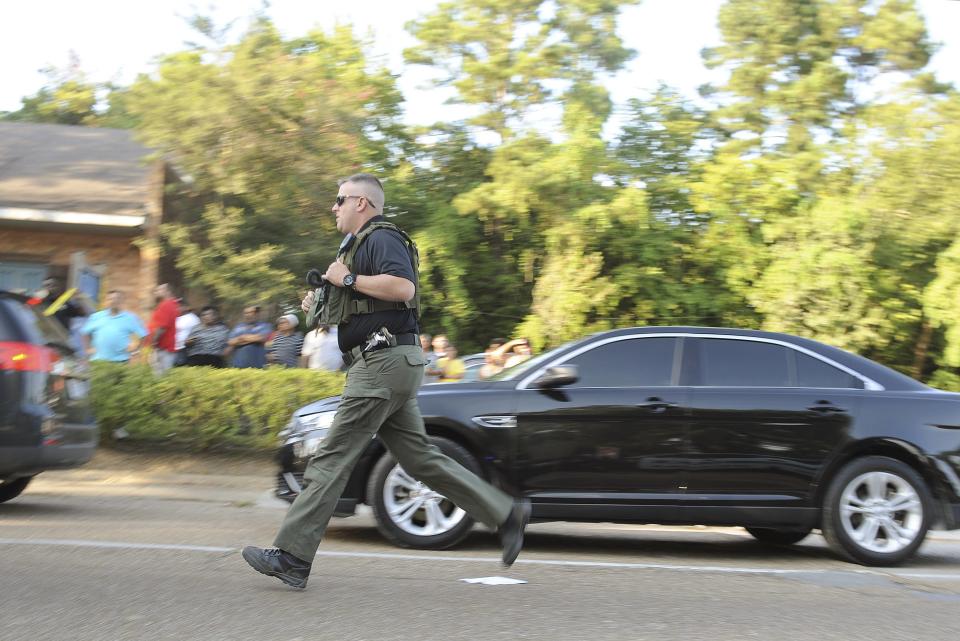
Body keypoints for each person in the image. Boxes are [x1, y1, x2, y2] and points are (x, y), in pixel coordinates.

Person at [242, 172, 529, 589]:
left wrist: (347, 279)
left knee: (332, 456)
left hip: (382, 362)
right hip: (391, 362)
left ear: (363, 203)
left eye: (340, 199)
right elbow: (358, 304)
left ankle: (292, 556)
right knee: (419, 459)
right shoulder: (359, 246)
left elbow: (402, 287)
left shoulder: (380, 237)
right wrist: (321, 300)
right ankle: (505, 513)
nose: (334, 206)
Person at [80, 290, 147, 363]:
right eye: (110, 299)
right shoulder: (96, 316)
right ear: (106, 301)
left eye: (117, 298)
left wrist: (136, 349)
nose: (114, 301)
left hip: (121, 361)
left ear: (122, 301)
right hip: (98, 360)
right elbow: (85, 333)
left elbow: (143, 335)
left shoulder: (130, 318)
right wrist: (88, 349)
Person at [148, 283, 179, 374]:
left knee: (159, 378)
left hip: (162, 349)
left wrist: (154, 342)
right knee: (162, 377)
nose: (156, 292)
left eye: (159, 290)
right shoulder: (171, 304)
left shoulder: (166, 305)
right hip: (164, 348)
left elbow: (162, 327)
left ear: (168, 292)